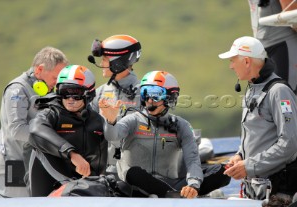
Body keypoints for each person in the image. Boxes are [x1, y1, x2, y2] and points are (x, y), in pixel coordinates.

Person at [98, 70, 230, 198]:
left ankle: (178, 194)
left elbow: (193, 160)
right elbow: (112, 136)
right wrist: (111, 121)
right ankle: (174, 196)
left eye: (155, 94)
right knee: (133, 172)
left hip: (171, 185)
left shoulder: (181, 125)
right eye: (145, 93)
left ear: (170, 97)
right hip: (136, 186)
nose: (150, 99)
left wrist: (193, 185)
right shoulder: (132, 120)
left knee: (224, 171)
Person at [219, 36, 297, 201]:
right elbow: (255, 134)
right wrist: (240, 155)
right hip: (256, 189)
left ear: (247, 61)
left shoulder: (279, 91)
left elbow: (290, 143)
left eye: (233, 60)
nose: (231, 66)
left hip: (278, 190)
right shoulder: (252, 89)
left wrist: (249, 165)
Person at [0, 46, 69, 198]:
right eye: (55, 77)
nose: (57, 82)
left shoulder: (47, 91)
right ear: (39, 70)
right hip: (14, 165)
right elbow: (18, 129)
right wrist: (52, 141)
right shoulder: (17, 90)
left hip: (34, 164)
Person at [28, 65, 108, 196]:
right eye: (65, 92)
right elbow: (35, 129)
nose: (70, 99)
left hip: (85, 187)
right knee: (39, 143)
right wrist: (72, 154)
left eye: (76, 94)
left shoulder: (97, 120)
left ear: (89, 94)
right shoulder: (51, 112)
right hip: (51, 186)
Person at [88, 34, 142, 173]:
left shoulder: (144, 93)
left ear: (118, 64)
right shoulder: (99, 93)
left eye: (105, 59)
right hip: (104, 170)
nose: (101, 64)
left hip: (135, 171)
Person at [248, 0, 297, 93]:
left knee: (283, 94)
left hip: (276, 42)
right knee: (281, 94)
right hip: (277, 43)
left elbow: (290, 10)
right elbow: (291, 10)